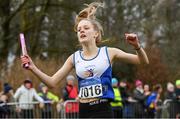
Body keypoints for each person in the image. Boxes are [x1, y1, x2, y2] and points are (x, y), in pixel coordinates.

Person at [20, 2, 149, 118]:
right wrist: (33, 67)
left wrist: (137, 46)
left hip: (103, 110)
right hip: (84, 111)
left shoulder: (109, 52)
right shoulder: (74, 58)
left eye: (86, 28)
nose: (81, 31)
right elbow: (52, 82)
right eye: (79, 30)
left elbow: (143, 62)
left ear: (96, 33)